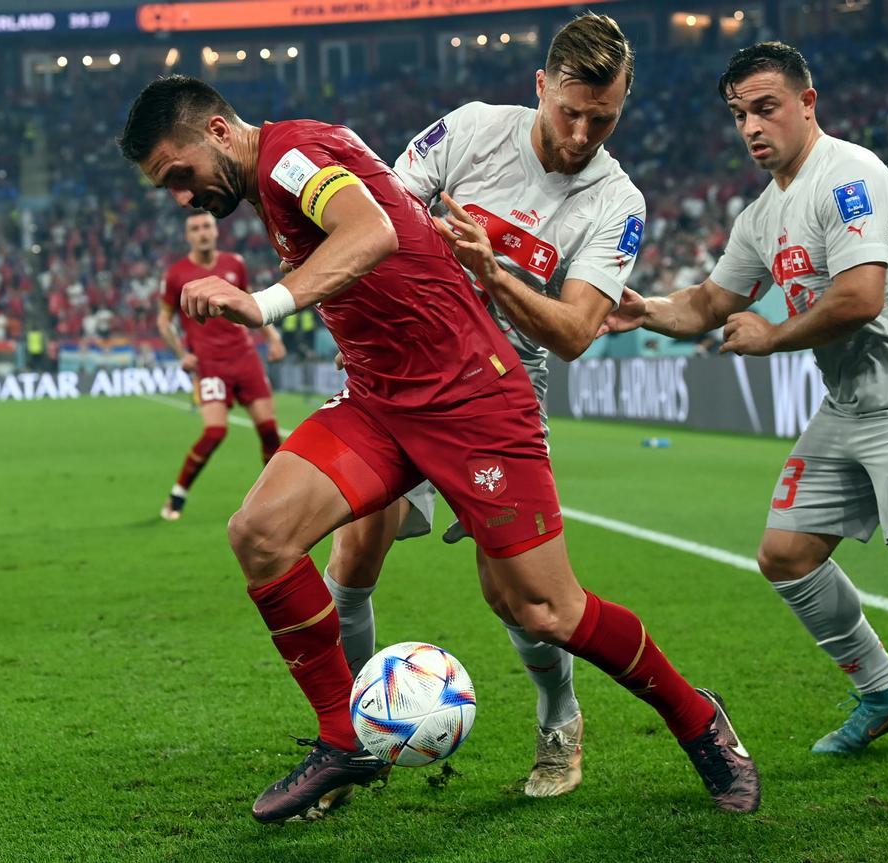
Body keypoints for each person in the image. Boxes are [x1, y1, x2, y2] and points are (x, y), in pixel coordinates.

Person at [118, 74, 761, 823]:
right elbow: (392, 221)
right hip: (380, 401)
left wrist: (263, 303)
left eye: (181, 176)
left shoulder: (288, 156)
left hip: (471, 401)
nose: (183, 197)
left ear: (220, 133)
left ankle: (698, 718)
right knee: (260, 533)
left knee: (544, 607)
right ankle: (344, 739)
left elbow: (375, 232)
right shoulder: (279, 170)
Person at [604, 41, 888, 782]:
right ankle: (884, 692)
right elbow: (711, 303)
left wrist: (773, 336)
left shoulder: (850, 176)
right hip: (849, 408)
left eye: (766, 107)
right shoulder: (762, 214)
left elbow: (861, 296)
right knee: (785, 554)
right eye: (739, 114)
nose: (751, 126)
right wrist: (645, 310)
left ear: (808, 103)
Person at [323, 13, 648, 801]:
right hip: (405, 366)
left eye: (600, 119)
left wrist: (492, 273)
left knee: (521, 599)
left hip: (502, 387)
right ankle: (346, 741)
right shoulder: (470, 132)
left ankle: (559, 718)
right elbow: (376, 221)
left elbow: (573, 332)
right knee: (353, 555)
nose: (579, 134)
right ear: (540, 86)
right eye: (568, 111)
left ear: (623, 103)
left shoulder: (616, 201)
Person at [157, 210, 284, 520]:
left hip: (244, 357)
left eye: (206, 226)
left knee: (268, 430)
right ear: (188, 236)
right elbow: (163, 319)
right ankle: (178, 495)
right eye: (196, 228)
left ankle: (278, 499)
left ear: (215, 232)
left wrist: (273, 337)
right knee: (214, 432)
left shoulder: (234, 264)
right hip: (210, 364)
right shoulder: (176, 274)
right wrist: (181, 354)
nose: (202, 232)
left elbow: (250, 303)